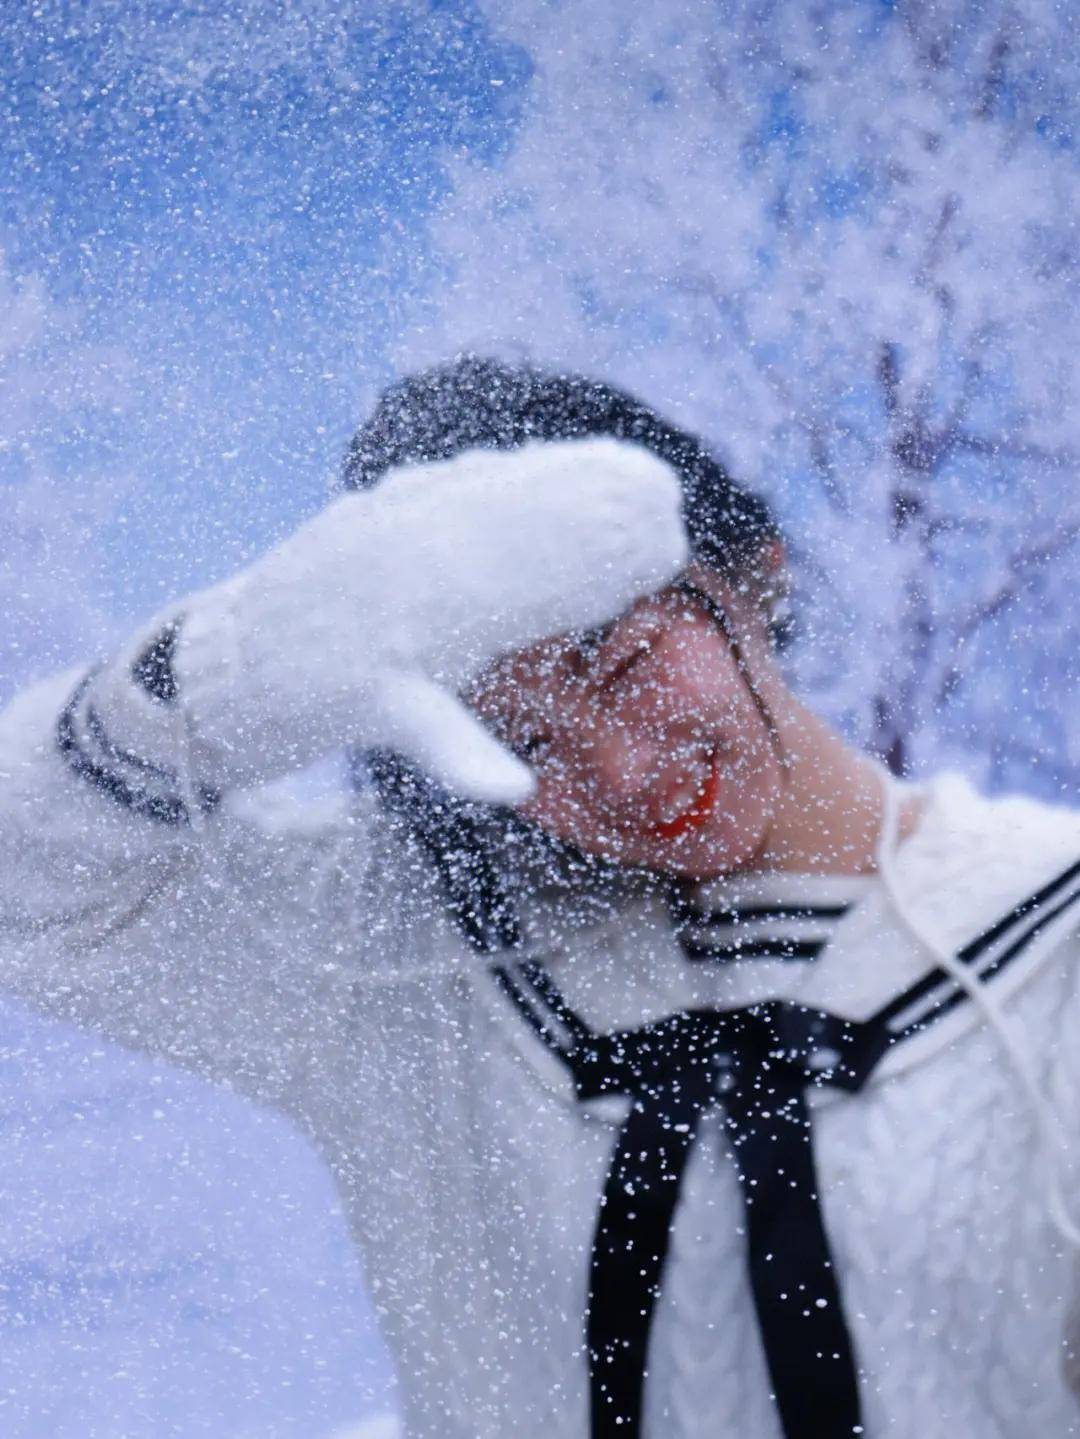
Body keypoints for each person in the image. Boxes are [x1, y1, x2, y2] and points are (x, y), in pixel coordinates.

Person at [2, 355, 1080, 1439]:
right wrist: (224, 677)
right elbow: (29, 889)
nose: (618, 768)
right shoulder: (400, 966)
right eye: (521, 739)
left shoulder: (1054, 932)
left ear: (748, 577)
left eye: (623, 665)